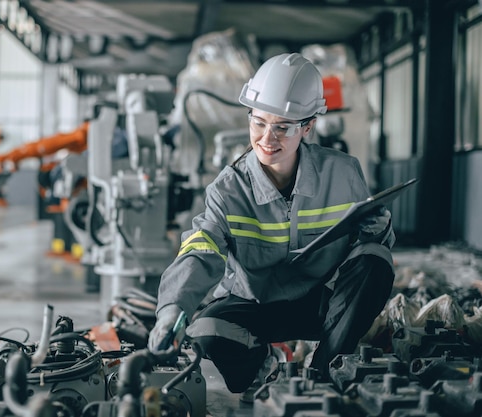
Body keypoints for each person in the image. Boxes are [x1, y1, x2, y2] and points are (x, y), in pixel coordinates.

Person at [147, 53, 395, 403]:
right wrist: (172, 309)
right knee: (205, 331)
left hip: (321, 301)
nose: (266, 138)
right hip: (255, 303)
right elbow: (202, 248)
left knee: (375, 259)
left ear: (307, 127)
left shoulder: (343, 174)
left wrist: (379, 230)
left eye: (283, 127)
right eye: (259, 122)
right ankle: (267, 364)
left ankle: (324, 369)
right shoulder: (228, 189)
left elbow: (368, 250)